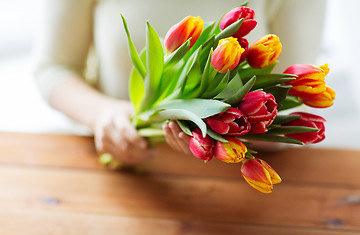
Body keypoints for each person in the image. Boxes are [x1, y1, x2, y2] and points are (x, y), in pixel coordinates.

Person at [33, 0, 326, 166]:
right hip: (103, 163)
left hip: (229, 180)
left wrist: (213, 134)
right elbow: (53, 67)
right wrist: (103, 115)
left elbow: (287, 108)